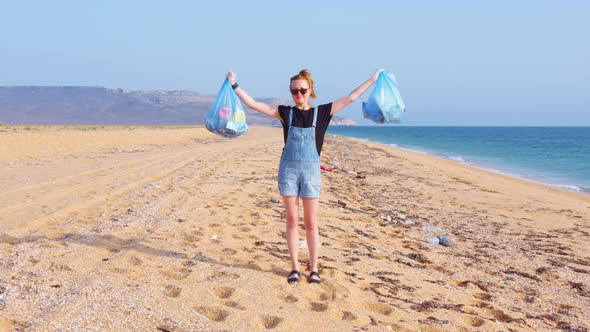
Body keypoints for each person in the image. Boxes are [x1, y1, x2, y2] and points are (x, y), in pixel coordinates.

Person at [226, 68, 383, 284]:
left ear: (310, 90)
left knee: (311, 223)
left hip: (311, 173)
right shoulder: (285, 113)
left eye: (302, 90)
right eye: (294, 91)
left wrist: (373, 80)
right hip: (288, 171)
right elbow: (253, 104)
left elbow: (352, 97)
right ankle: (294, 267)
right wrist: (234, 84)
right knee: (291, 220)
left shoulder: (323, 113)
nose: (298, 94)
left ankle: (314, 268)